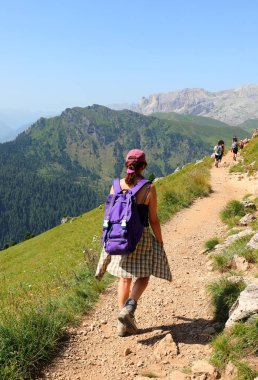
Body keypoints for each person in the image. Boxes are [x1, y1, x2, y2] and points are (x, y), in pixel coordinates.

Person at [95, 149, 172, 337]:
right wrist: (160, 240)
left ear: (126, 165)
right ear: (144, 166)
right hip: (140, 237)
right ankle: (129, 309)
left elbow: (109, 215)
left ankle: (121, 325)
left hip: (119, 236)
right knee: (144, 275)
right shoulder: (148, 188)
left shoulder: (115, 185)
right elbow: (153, 219)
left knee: (124, 278)